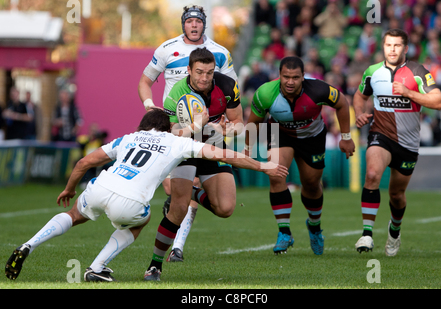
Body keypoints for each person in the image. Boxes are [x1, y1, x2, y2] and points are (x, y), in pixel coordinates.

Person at [5, 107, 288, 282]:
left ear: (143, 126)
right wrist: (264, 166)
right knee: (142, 221)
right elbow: (226, 155)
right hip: (129, 202)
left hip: (102, 186)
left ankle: (28, 244)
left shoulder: (128, 137)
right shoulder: (178, 142)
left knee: (74, 214)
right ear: (166, 128)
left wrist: (69, 188)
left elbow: (83, 163)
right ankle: (96, 266)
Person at [138, 5, 238, 262]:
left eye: (198, 22)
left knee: (224, 207)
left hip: (211, 129)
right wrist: (150, 105)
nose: (194, 26)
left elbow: (229, 92)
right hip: (176, 127)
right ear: (183, 24)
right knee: (177, 196)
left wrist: (227, 126)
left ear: (204, 24)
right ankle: (172, 251)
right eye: (189, 22)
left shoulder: (221, 53)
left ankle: (178, 244)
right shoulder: (165, 49)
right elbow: (144, 81)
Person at [144, 47, 246, 281]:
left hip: (214, 147)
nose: (204, 78)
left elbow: (239, 122)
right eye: (199, 72)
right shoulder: (177, 92)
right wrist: (197, 127)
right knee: (178, 208)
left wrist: (228, 129)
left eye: (209, 73)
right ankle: (154, 266)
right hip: (185, 150)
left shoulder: (228, 85)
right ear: (189, 70)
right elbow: (172, 132)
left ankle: (193, 192)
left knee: (225, 208)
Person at [244, 56, 355, 255]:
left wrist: (346, 137)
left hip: (311, 137)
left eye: (295, 77)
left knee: (311, 184)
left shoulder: (319, 89)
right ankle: (284, 232)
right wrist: (246, 148)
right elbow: (254, 123)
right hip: (280, 134)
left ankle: (314, 226)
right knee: (275, 173)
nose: (290, 81)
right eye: (285, 76)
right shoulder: (265, 94)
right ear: (279, 75)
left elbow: (342, 103)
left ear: (303, 76)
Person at [353, 28, 441, 256]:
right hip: (380, 135)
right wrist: (359, 113)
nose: (392, 50)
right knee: (372, 175)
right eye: (388, 45)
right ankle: (367, 234)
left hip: (408, 143)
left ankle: (394, 230)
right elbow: (359, 95)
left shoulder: (418, 72)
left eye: (396, 46)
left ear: (405, 48)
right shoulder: (372, 71)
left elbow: (438, 101)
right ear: (383, 47)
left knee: (396, 194)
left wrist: (409, 93)